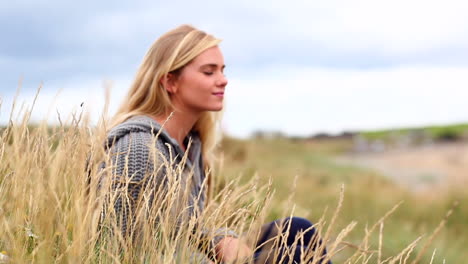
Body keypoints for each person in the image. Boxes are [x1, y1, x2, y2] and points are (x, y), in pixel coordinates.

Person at [100, 24, 331, 264]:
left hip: (183, 255)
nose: (224, 80)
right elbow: (119, 247)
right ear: (170, 81)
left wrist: (220, 240)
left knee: (298, 229)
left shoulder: (189, 144)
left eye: (222, 70)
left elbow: (183, 231)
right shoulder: (137, 148)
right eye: (209, 72)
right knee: (294, 256)